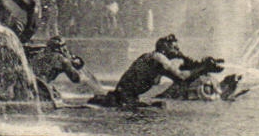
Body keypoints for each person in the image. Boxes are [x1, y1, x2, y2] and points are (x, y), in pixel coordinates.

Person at [94, 34, 222, 107]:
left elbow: (181, 79)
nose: (178, 51)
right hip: (123, 99)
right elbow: (181, 77)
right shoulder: (159, 58)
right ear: (165, 47)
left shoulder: (153, 58)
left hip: (126, 97)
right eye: (175, 48)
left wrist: (197, 66)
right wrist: (203, 67)